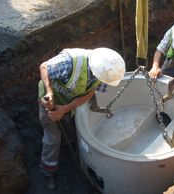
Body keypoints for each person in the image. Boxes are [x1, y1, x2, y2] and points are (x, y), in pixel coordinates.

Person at [38, 47, 126, 189]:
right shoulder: (69, 63)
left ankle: (70, 144)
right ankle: (47, 170)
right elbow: (44, 67)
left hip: (69, 102)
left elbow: (89, 94)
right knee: (53, 139)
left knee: (71, 128)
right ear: (96, 71)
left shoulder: (105, 72)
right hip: (49, 103)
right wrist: (49, 93)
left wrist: (66, 109)